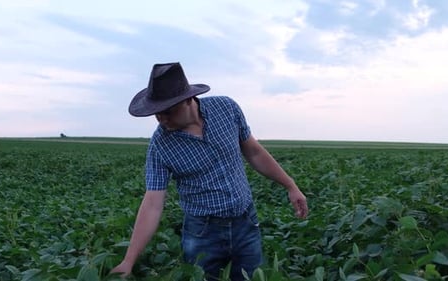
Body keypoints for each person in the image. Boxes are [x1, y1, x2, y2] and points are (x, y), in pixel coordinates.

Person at [110, 62, 308, 280]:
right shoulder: (160, 145)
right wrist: (128, 261)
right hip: (202, 233)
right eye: (157, 114)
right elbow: (153, 204)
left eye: (168, 112)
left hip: (246, 223)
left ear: (187, 100)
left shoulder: (226, 108)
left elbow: (254, 152)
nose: (161, 119)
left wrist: (290, 185)